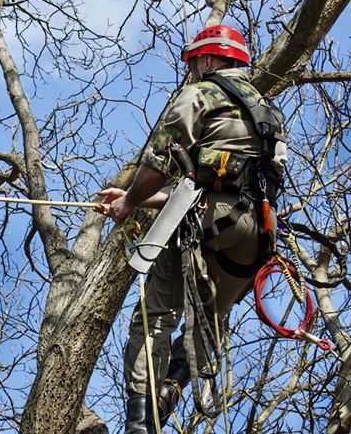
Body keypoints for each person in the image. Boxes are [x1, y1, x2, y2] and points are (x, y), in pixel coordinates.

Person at [95, 24, 286, 433]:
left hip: (205, 223)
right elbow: (217, 184)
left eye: (196, 62)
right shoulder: (270, 113)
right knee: (212, 318)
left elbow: (161, 159)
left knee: (155, 317)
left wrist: (129, 201)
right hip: (255, 235)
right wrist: (137, 197)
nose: (194, 70)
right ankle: (172, 386)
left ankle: (141, 422)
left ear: (210, 58)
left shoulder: (200, 93)